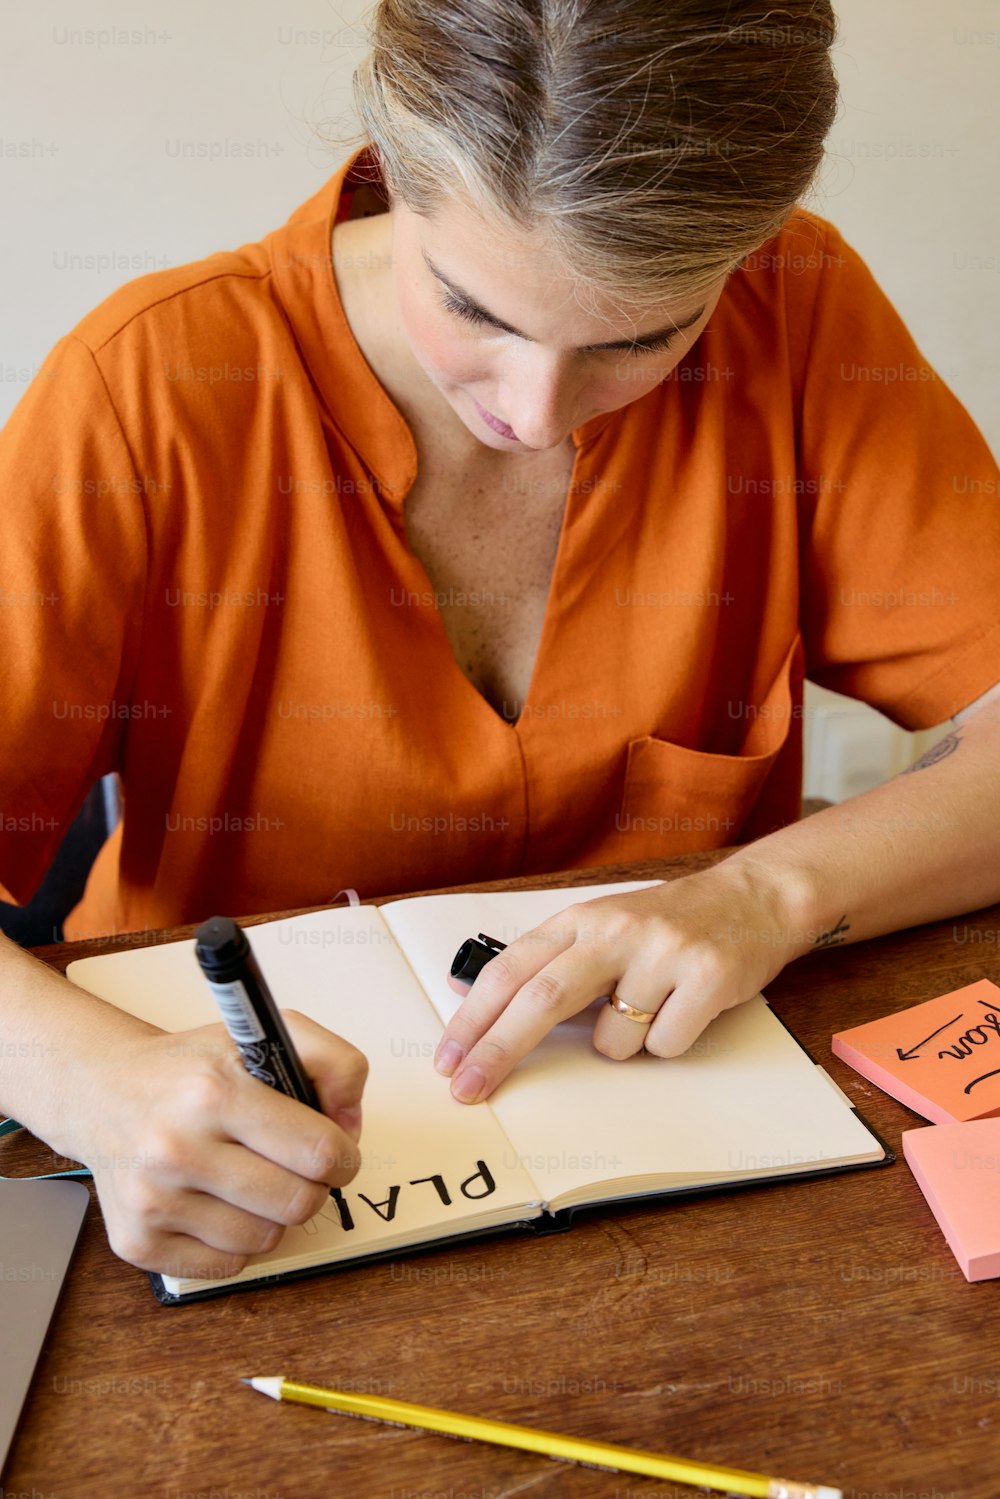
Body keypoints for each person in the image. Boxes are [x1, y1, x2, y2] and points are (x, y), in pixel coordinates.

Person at [1, 0, 998, 1278]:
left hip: (708, 1157)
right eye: (472, 307)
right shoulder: (147, 387)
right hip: (242, 1184)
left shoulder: (796, 310)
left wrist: (764, 891)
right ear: (390, 175)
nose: (533, 413)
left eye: (638, 337)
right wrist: (99, 1088)